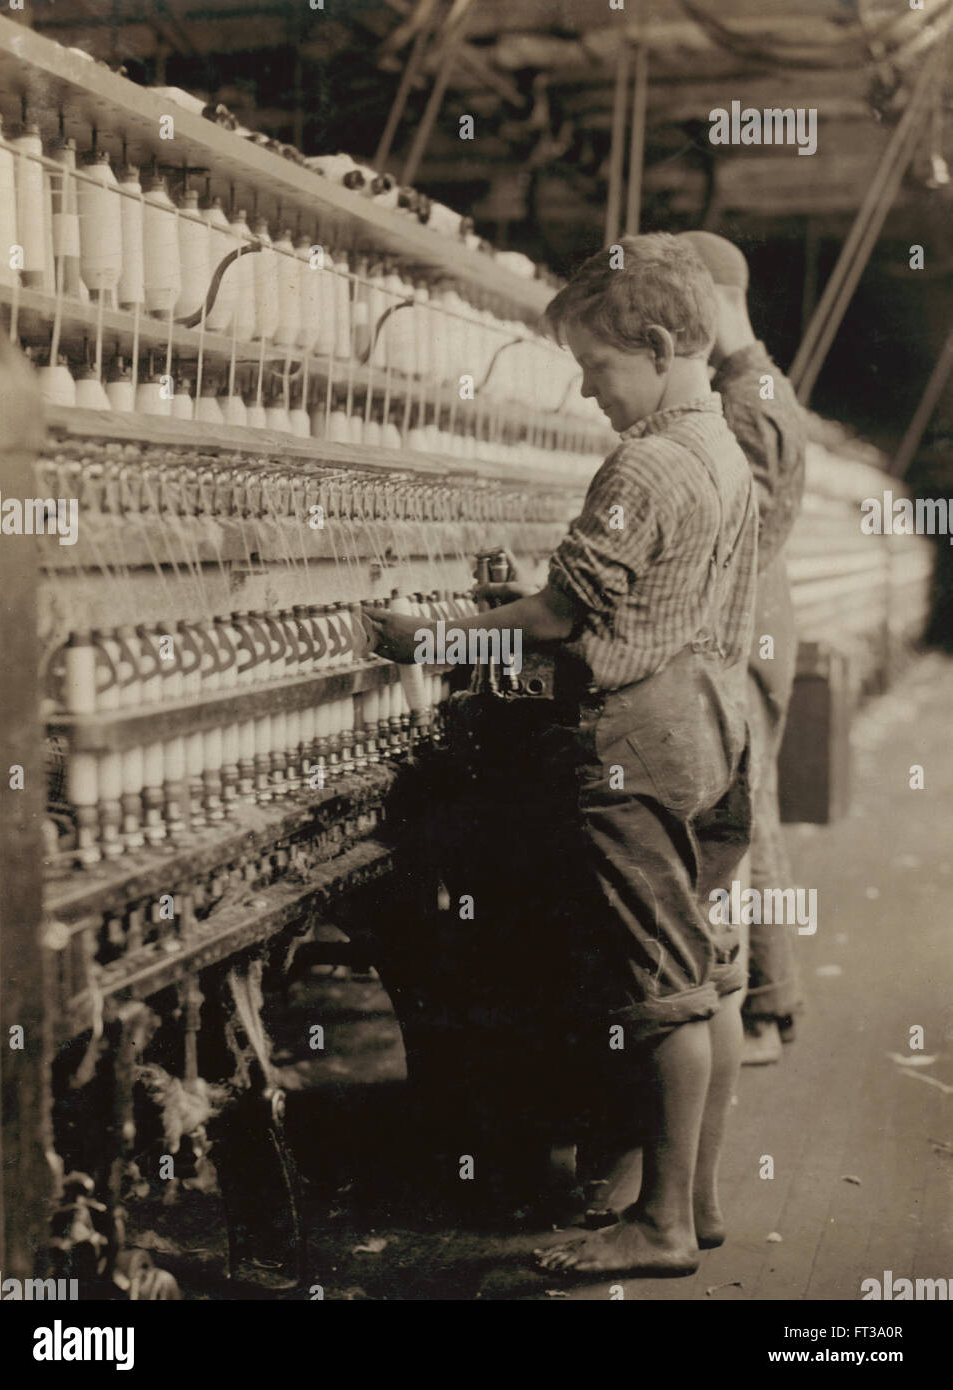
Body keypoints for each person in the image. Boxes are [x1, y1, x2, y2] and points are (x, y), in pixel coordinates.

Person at [364, 233, 757, 1278]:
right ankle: (700, 1202)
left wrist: (429, 637)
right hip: (715, 718)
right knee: (709, 974)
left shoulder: (647, 459)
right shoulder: (723, 448)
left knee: (660, 986)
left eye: (598, 370)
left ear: (664, 344)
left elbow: (556, 613)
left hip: (640, 738)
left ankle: (659, 1226)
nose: (592, 395)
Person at [677, 231, 807, 1064]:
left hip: (747, 631)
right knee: (757, 819)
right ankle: (769, 1003)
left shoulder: (745, 395)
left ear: (712, 297)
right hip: (758, 626)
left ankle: (760, 1012)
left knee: (743, 822)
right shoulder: (753, 383)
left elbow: (744, 528)